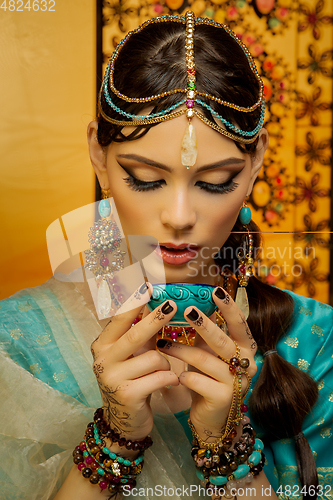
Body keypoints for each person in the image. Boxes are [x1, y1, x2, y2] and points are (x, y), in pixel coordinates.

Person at [0, 11, 332, 500]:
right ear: (98, 155)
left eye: (216, 183)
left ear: (257, 160)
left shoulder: (315, 342)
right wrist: (114, 440)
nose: (179, 215)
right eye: (146, 179)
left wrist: (228, 445)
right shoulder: (20, 342)